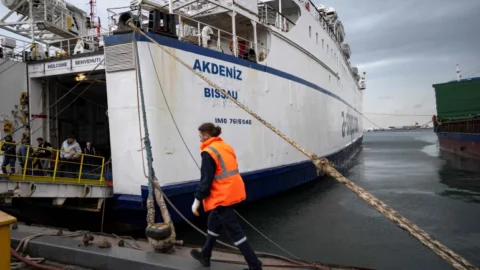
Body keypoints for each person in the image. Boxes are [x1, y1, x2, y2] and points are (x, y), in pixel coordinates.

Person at [190, 123, 263, 270]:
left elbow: (206, 181)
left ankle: (255, 266)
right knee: (213, 222)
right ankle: (205, 254)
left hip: (222, 196)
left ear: (206, 136)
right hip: (233, 191)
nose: (200, 140)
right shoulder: (225, 146)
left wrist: (197, 200)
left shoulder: (208, 152)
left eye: (200, 137)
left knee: (236, 233)